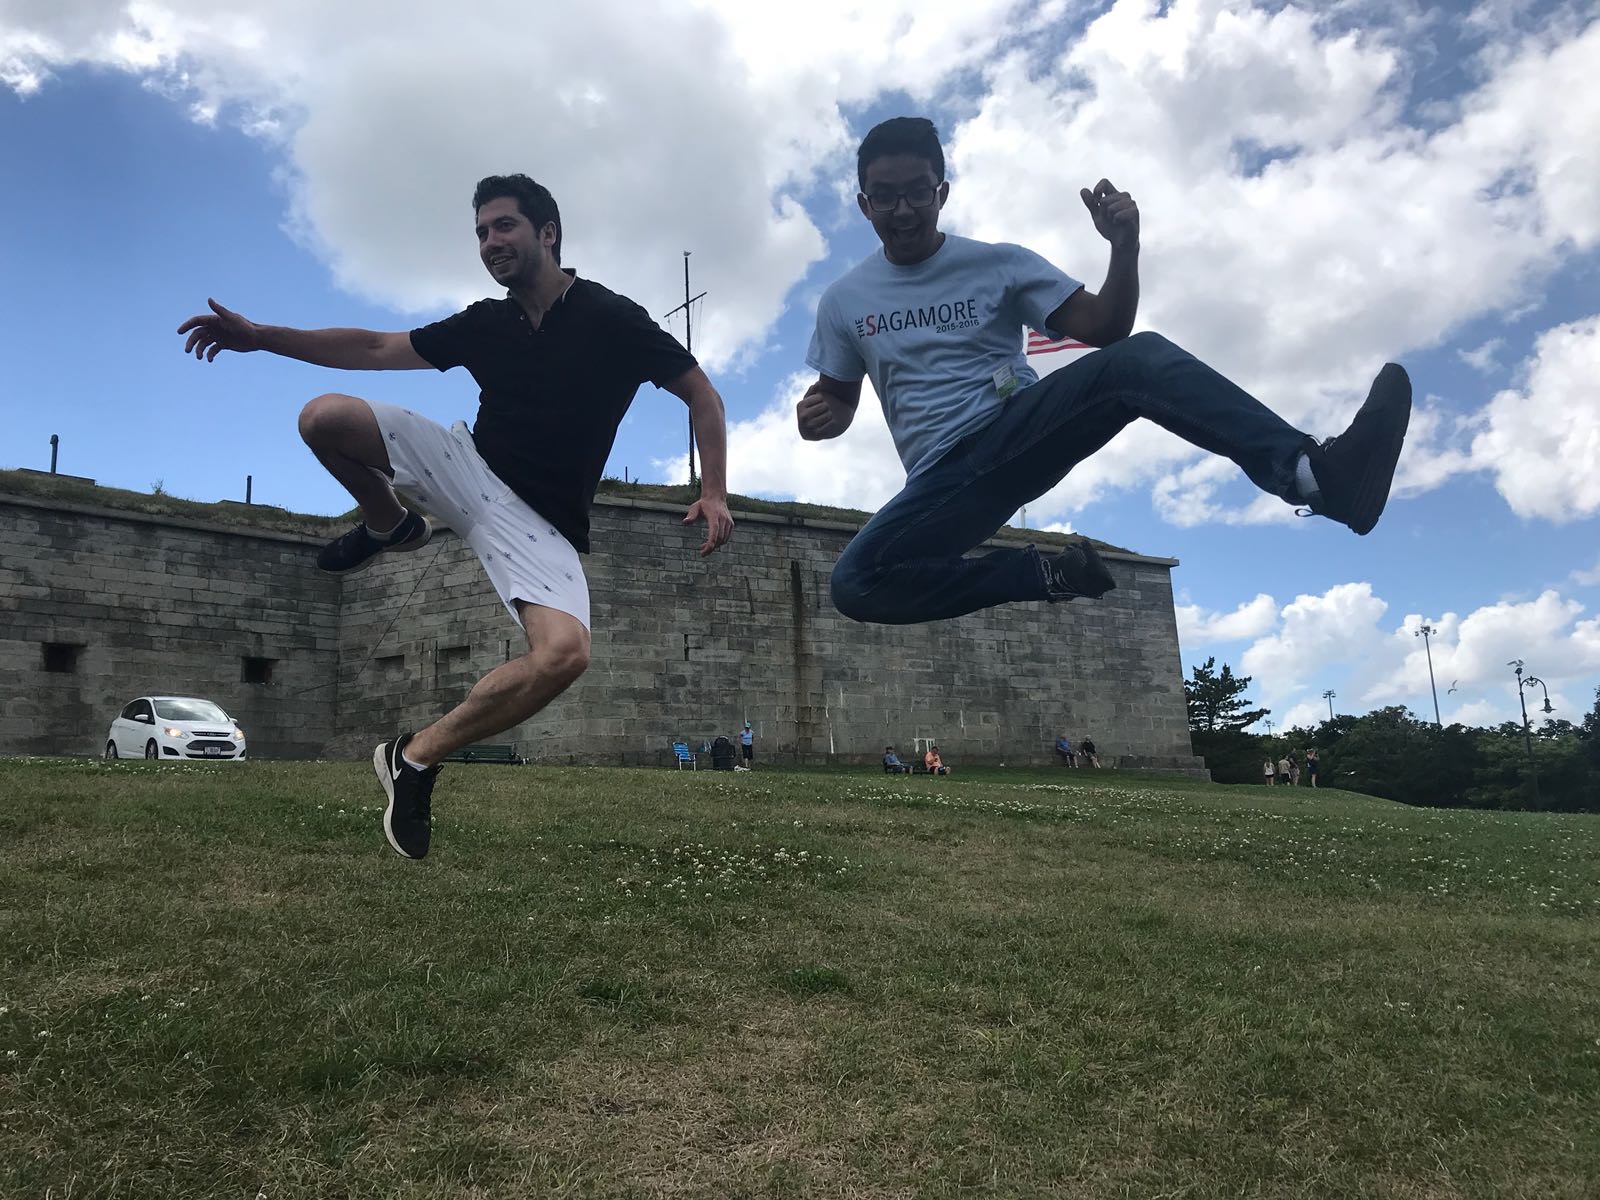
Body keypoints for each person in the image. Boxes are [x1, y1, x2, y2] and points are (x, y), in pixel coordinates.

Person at [178, 174, 734, 860]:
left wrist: (714, 491)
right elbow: (376, 349)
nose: (490, 242)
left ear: (548, 233)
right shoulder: (486, 323)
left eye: (504, 226)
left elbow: (701, 394)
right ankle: (389, 523)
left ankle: (414, 757)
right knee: (323, 417)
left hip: (537, 521)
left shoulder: (610, 317)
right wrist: (261, 336)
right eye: (480, 232)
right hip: (465, 468)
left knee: (564, 655)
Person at [798, 117, 1411, 626]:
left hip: (1015, 431)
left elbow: (1106, 329)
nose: (904, 210)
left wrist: (1124, 247)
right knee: (855, 583)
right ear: (864, 204)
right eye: (885, 197)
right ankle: (1045, 574)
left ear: (943, 192)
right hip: (942, 484)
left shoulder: (998, 265)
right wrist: (822, 416)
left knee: (1137, 359)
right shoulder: (845, 301)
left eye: (918, 192)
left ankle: (1312, 474)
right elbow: (840, 400)